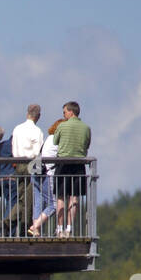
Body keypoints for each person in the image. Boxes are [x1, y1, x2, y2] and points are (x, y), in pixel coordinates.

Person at [52, 100, 91, 237]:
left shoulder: (62, 126)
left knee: (61, 198)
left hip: (63, 164)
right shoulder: (86, 128)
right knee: (74, 198)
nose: (63, 115)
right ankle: (69, 228)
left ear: (70, 111)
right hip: (79, 164)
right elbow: (87, 145)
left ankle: (59, 228)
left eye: (64, 112)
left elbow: (55, 141)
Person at [28, 119, 64, 237]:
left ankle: (36, 231)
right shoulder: (58, 140)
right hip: (47, 174)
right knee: (53, 205)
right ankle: (35, 226)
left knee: (38, 202)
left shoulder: (49, 138)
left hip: (37, 173)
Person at [11, 104, 45, 227]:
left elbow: (13, 146)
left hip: (18, 163)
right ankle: (23, 225)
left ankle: (12, 221)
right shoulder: (37, 131)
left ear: (27, 113)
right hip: (31, 164)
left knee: (21, 196)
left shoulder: (17, 129)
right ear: (38, 116)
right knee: (29, 198)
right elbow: (37, 152)